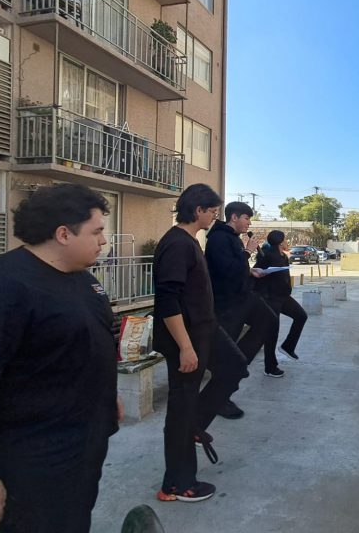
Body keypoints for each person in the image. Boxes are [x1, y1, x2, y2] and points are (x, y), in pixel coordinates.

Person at [0, 184, 121, 532]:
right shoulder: (4, 287)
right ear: (63, 234)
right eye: (97, 231)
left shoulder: (85, 280)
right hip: (34, 458)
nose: (104, 241)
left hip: (85, 443)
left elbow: (89, 344)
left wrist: (108, 397)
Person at [153, 183, 222, 503]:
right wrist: (185, 347)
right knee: (181, 409)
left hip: (203, 332)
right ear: (198, 211)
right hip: (187, 339)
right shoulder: (177, 244)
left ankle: (195, 423)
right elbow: (168, 300)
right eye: (212, 211)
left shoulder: (189, 241)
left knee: (232, 368)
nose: (213, 217)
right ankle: (178, 484)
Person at [205, 202, 281, 408]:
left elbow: (236, 266)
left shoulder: (233, 239)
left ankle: (238, 362)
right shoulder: (219, 238)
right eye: (246, 218)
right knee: (225, 356)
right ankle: (219, 398)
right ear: (234, 218)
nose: (249, 223)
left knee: (269, 320)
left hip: (243, 296)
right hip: (227, 303)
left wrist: (250, 271)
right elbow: (226, 269)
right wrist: (247, 252)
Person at [254, 230, 308, 361]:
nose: (286, 242)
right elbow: (256, 272)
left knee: (301, 316)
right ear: (280, 241)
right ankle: (270, 367)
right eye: (285, 239)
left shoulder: (283, 256)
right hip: (270, 298)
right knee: (272, 333)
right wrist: (263, 273)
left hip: (283, 296)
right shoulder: (267, 255)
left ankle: (288, 347)